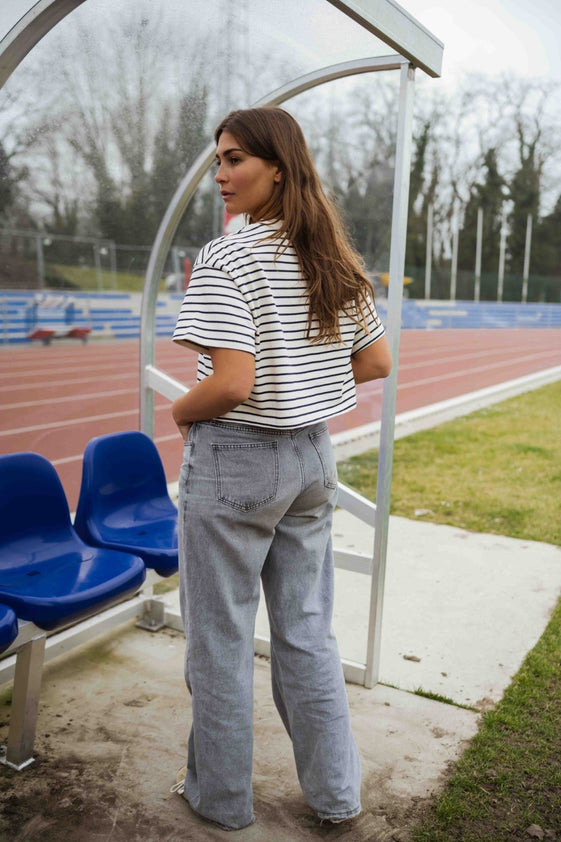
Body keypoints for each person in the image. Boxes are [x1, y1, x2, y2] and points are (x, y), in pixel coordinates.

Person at [170, 106, 392, 831]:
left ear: (278, 166)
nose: (221, 174)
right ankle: (336, 796)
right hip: (311, 459)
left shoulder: (228, 257)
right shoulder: (331, 255)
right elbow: (377, 361)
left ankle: (220, 800)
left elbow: (231, 383)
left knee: (220, 642)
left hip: (235, 460)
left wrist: (179, 411)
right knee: (306, 632)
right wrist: (305, 382)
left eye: (234, 158)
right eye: (218, 159)